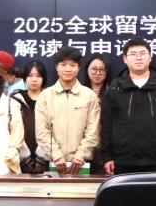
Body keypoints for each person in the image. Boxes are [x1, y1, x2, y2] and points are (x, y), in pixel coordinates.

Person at [101, 38, 156, 175]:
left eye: (143, 53)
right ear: (125, 59)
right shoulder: (115, 87)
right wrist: (107, 156)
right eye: (133, 54)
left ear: (150, 57)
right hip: (123, 160)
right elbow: (106, 125)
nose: (138, 57)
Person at [36, 47, 101, 175]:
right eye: (63, 65)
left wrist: (80, 156)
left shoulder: (89, 95)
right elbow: (41, 131)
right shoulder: (45, 96)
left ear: (79, 68)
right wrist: (56, 155)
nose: (68, 69)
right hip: (52, 162)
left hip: (82, 163)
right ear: (56, 67)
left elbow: (93, 130)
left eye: (73, 65)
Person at [10, 59, 50, 174]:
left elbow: (55, 130)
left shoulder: (51, 99)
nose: (34, 79)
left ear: (43, 78)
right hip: (19, 160)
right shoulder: (14, 99)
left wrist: (42, 159)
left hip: (46, 160)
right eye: (30, 75)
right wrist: (24, 159)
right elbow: (12, 131)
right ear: (24, 78)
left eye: (38, 76)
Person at [78, 53, 112, 174]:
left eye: (102, 69)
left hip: (105, 147)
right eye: (94, 69)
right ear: (87, 70)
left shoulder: (113, 92)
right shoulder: (78, 92)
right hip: (82, 147)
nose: (98, 73)